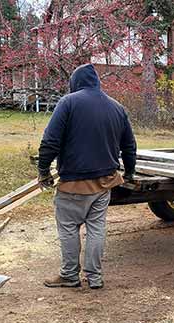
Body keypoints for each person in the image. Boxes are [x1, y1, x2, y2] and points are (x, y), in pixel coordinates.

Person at [37, 64, 137, 289]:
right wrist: (130, 171)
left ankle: (70, 275)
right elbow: (129, 146)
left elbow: (50, 141)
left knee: (69, 227)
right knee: (96, 228)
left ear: (75, 83)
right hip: (104, 182)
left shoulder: (68, 102)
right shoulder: (117, 107)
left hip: (73, 184)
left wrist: (43, 171)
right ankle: (95, 277)